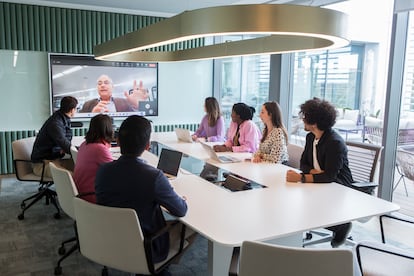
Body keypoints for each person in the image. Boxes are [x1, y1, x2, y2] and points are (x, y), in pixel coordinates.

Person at [95, 115, 195, 265]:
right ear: (148, 146)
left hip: (110, 240)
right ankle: (160, 267)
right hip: (146, 247)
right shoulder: (154, 177)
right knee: (189, 225)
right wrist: (182, 201)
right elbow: (180, 210)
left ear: (119, 141)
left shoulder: (102, 171)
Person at [285, 97, 353, 248]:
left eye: (305, 117)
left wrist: (302, 178)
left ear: (314, 123)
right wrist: (313, 173)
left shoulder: (335, 143)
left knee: (300, 205)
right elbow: (303, 163)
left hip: (339, 187)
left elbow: (329, 176)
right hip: (320, 182)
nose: (302, 120)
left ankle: (340, 226)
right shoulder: (311, 137)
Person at [31, 96, 78, 178]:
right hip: (43, 165)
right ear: (72, 110)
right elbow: (65, 144)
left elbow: (65, 144)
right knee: (71, 177)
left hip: (54, 160)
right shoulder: (55, 123)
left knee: (83, 170)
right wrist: (83, 152)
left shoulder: (62, 119)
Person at [73, 114, 114, 203]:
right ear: (108, 129)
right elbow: (115, 173)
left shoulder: (84, 144)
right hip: (91, 195)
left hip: (81, 192)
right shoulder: (100, 149)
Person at [80, 75, 149, 113]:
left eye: (106, 83)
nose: (102, 85)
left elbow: (135, 119)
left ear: (112, 87)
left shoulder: (123, 102)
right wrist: (93, 115)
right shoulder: (87, 105)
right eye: (99, 83)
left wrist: (137, 106)